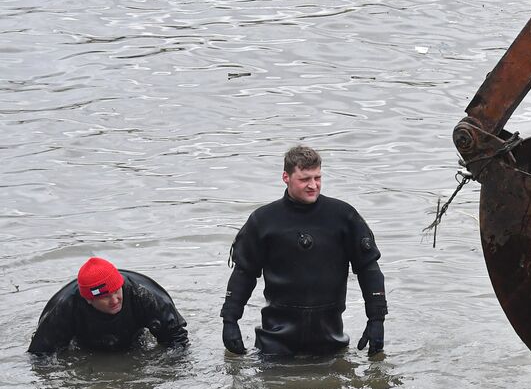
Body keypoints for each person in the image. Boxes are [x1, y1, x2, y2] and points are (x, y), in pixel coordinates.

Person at [221, 144, 387, 358]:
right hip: (275, 344)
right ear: (286, 177)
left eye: (317, 178)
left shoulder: (343, 217)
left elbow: (369, 269)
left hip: (330, 342)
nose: (313, 185)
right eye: (304, 179)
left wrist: (376, 320)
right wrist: (230, 320)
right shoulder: (263, 220)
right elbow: (243, 274)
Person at [28, 257, 188, 355]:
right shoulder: (66, 307)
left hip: (134, 341)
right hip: (86, 346)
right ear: (88, 300)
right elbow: (40, 354)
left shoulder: (144, 294)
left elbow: (177, 339)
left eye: (116, 291)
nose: (115, 300)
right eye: (105, 297)